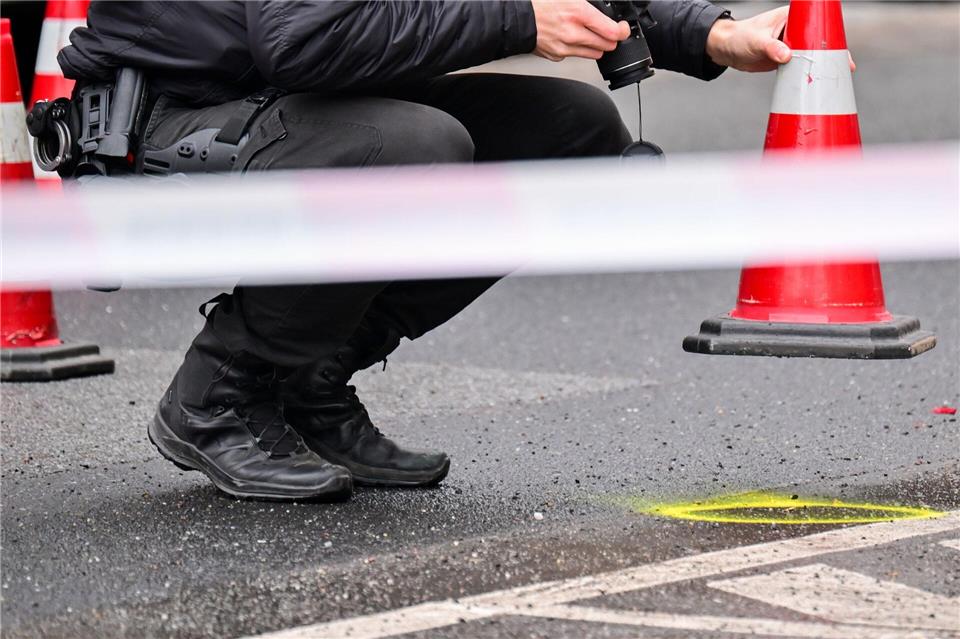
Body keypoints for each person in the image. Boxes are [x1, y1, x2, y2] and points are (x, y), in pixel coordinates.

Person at [58, 0, 794, 501]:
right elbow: (301, 39)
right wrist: (517, 19)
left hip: (292, 114)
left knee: (572, 132)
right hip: (162, 133)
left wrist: (707, 33)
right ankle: (220, 392)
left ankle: (311, 376)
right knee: (416, 147)